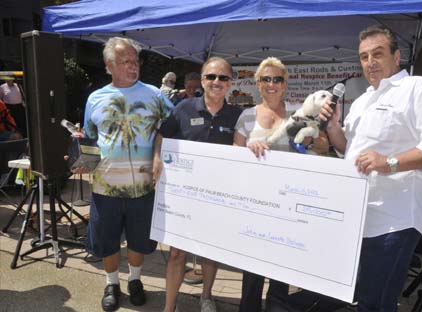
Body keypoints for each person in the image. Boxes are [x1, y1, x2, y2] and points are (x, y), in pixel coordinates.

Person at [319, 25, 422, 311]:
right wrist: (333, 126)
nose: (370, 62)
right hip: (360, 216)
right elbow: (351, 150)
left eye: (378, 54)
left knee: (376, 303)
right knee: (362, 298)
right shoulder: (362, 101)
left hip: (393, 220)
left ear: (397, 57)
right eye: (363, 57)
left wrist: (390, 162)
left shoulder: (419, 89)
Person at [78, 37, 173, 312]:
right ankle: (111, 284)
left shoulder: (156, 95)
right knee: (108, 241)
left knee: (139, 238)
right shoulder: (95, 98)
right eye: (126, 61)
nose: (134, 66)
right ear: (110, 65)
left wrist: (157, 153)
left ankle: (134, 280)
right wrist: (80, 157)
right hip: (105, 187)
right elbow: (89, 137)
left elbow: (170, 129)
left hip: (143, 187)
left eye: (135, 61)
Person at [233, 56, 329, 312]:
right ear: (258, 84)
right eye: (266, 79)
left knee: (282, 270)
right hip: (256, 202)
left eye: (277, 79)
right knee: (252, 270)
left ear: (285, 84)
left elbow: (324, 145)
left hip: (290, 204)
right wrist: (248, 149)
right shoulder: (246, 116)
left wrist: (317, 142)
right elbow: (233, 157)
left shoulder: (300, 112)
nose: (271, 84)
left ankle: (278, 307)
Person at [153, 56, 243, 312]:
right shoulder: (183, 108)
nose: (217, 82)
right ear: (202, 80)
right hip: (184, 197)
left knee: (210, 251)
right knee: (177, 253)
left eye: (223, 78)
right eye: (211, 77)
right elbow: (162, 134)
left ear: (230, 83)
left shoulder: (238, 115)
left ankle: (206, 296)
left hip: (218, 197)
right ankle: (169, 307)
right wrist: (157, 157)